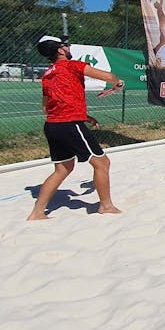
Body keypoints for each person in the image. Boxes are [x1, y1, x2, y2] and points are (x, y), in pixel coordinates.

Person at [26, 35, 125, 221]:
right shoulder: (73, 66)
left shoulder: (47, 74)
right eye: (66, 45)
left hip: (52, 125)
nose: (69, 47)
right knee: (102, 163)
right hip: (69, 124)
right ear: (60, 50)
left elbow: (46, 107)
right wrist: (117, 84)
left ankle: (37, 213)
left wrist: (83, 116)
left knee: (62, 169)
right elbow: (108, 76)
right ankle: (106, 206)